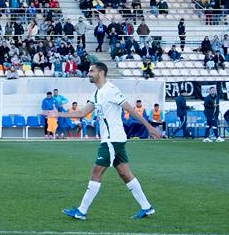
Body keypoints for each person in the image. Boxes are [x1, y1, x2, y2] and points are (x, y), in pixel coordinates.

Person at [60, 61, 162, 220]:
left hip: (111, 140)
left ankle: (81, 211)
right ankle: (147, 208)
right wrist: (57, 114)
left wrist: (149, 127)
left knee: (96, 172)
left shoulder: (111, 90)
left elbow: (130, 109)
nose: (88, 73)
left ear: (100, 73)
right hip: (114, 140)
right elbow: (81, 113)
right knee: (125, 173)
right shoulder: (97, 93)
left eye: (91, 71)